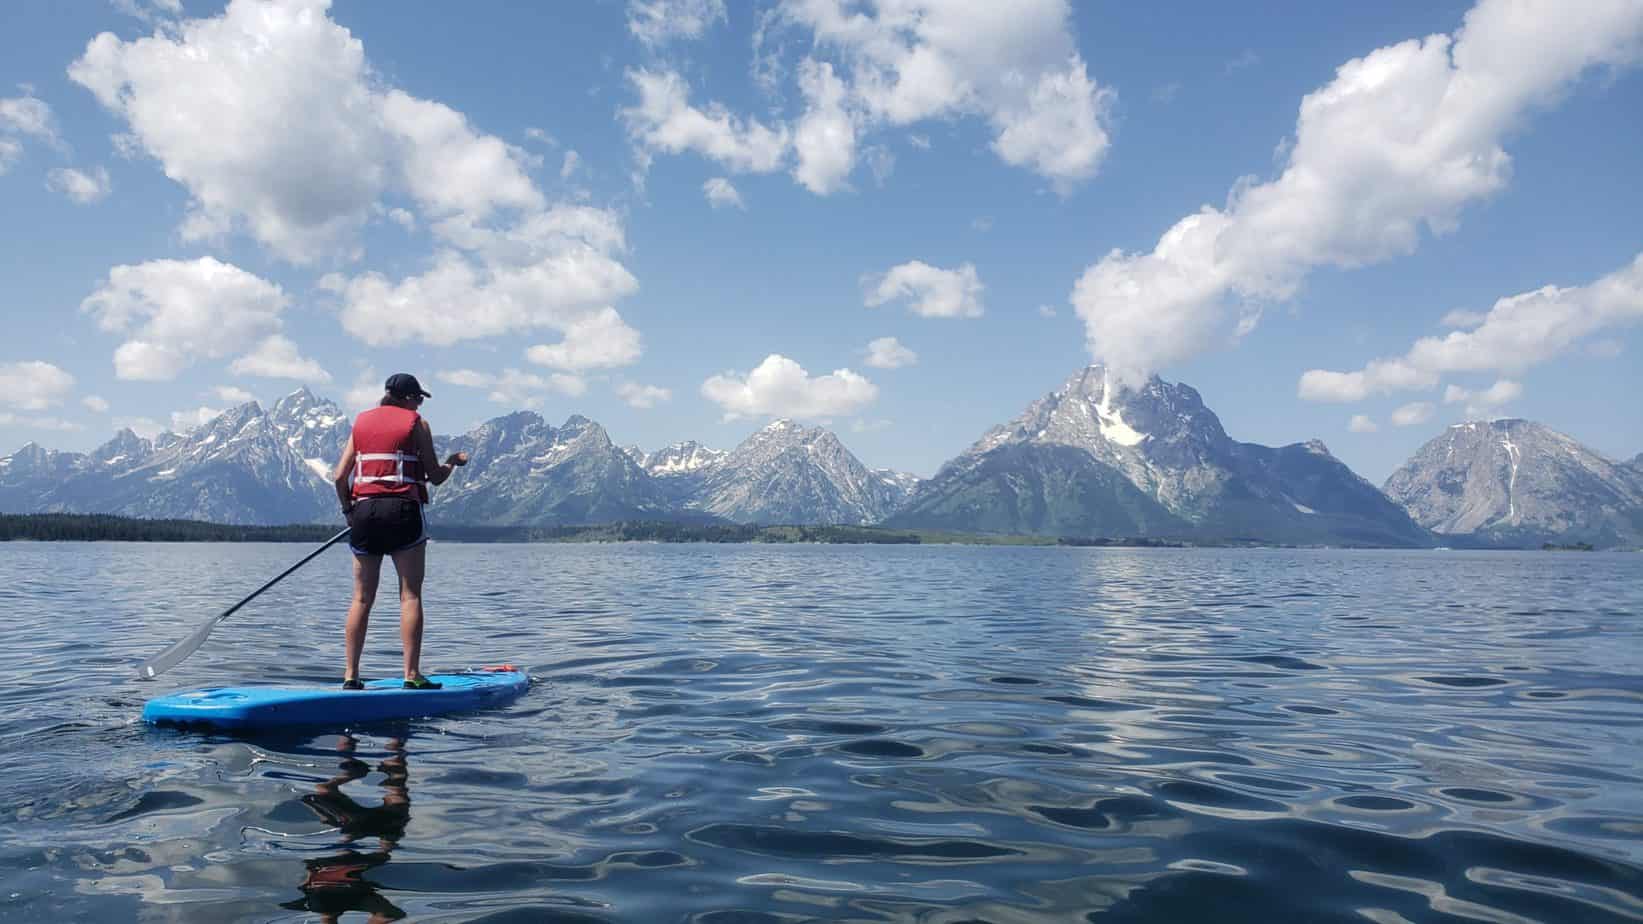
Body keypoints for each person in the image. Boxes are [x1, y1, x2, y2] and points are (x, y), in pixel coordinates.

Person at [331, 373, 468, 690]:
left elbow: (340, 477)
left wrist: (348, 511)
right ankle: (411, 675)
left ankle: (351, 676)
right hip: (404, 512)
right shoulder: (416, 424)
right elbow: (434, 477)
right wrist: (452, 462)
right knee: (410, 596)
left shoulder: (361, 424)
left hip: (365, 513)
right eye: (418, 398)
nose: (420, 404)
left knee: (362, 598)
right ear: (407, 398)